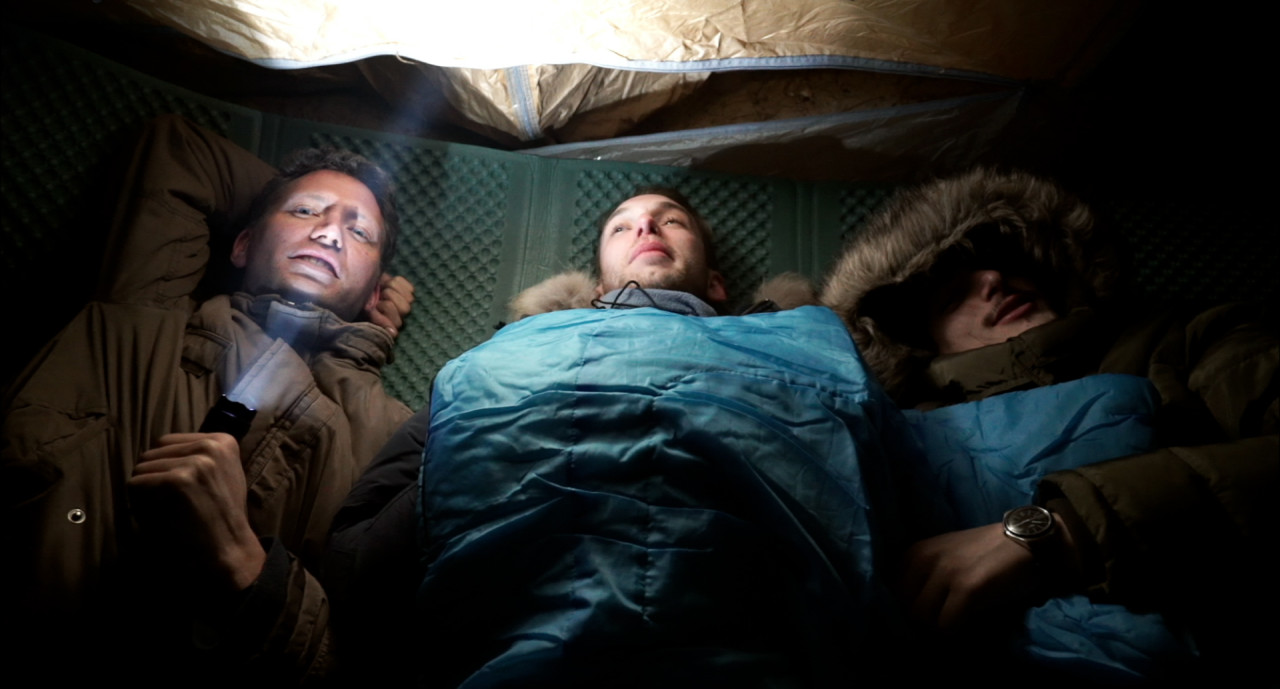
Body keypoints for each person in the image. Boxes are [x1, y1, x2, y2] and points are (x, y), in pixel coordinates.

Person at [325, 188, 910, 687]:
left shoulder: (805, 344)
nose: (647, 226)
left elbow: (895, 481)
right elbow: (358, 555)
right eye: (622, 226)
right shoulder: (500, 357)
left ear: (716, 282)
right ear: (599, 283)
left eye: (671, 220)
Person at [2, 114, 415, 684]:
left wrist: (245, 565)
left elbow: (375, 655)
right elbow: (179, 148)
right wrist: (286, 201)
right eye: (305, 212)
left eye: (359, 232)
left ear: (374, 292)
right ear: (241, 244)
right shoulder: (148, 306)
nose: (329, 233)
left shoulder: (388, 428)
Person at [820, 168, 1277, 679]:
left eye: (1002, 263)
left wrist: (1063, 530)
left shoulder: (1187, 339)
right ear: (921, 341)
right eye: (953, 295)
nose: (992, 281)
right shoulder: (892, 433)